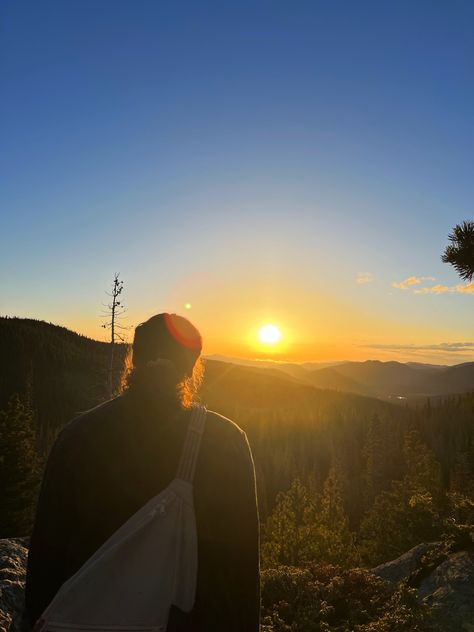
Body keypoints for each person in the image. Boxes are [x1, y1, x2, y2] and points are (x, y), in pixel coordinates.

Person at [25, 313, 260, 631]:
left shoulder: (75, 437)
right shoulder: (226, 442)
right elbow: (241, 571)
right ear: (191, 368)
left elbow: (45, 557)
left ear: (134, 360)